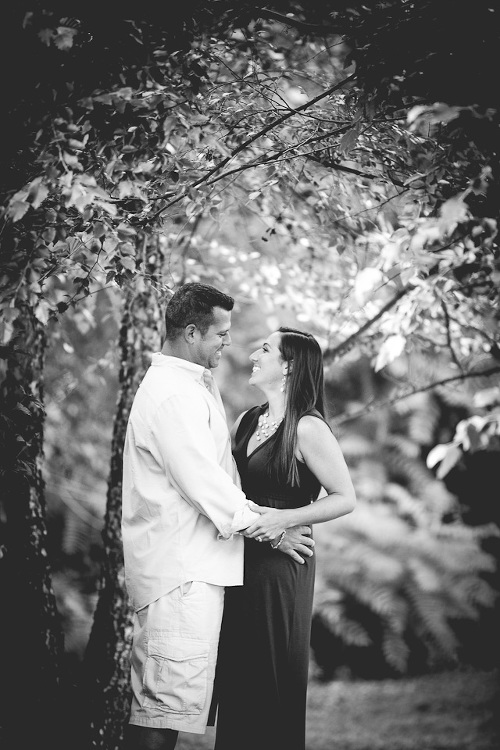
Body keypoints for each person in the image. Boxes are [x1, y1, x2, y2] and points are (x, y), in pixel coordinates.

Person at [121, 284, 315, 750]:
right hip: (181, 576)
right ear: (191, 332)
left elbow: (221, 476)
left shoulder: (191, 386)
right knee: (161, 714)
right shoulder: (172, 396)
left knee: (170, 711)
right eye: (221, 333)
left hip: (195, 572)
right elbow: (206, 485)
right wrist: (274, 532)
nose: (230, 343)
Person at [213, 326, 357, 750]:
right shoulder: (247, 421)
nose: (254, 353)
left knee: (270, 677)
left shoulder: (308, 428)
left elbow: (345, 497)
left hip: (282, 568)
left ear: (290, 367)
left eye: (265, 349)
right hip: (240, 559)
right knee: (240, 675)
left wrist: (285, 519)